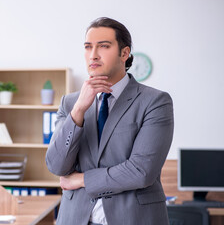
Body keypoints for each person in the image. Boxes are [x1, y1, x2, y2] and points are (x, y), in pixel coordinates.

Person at [45, 17, 174, 225]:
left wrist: (82, 179)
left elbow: (141, 171)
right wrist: (79, 110)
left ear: (124, 53)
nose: (93, 55)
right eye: (88, 47)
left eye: (103, 46)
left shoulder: (155, 102)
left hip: (133, 219)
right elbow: (56, 165)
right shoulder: (70, 103)